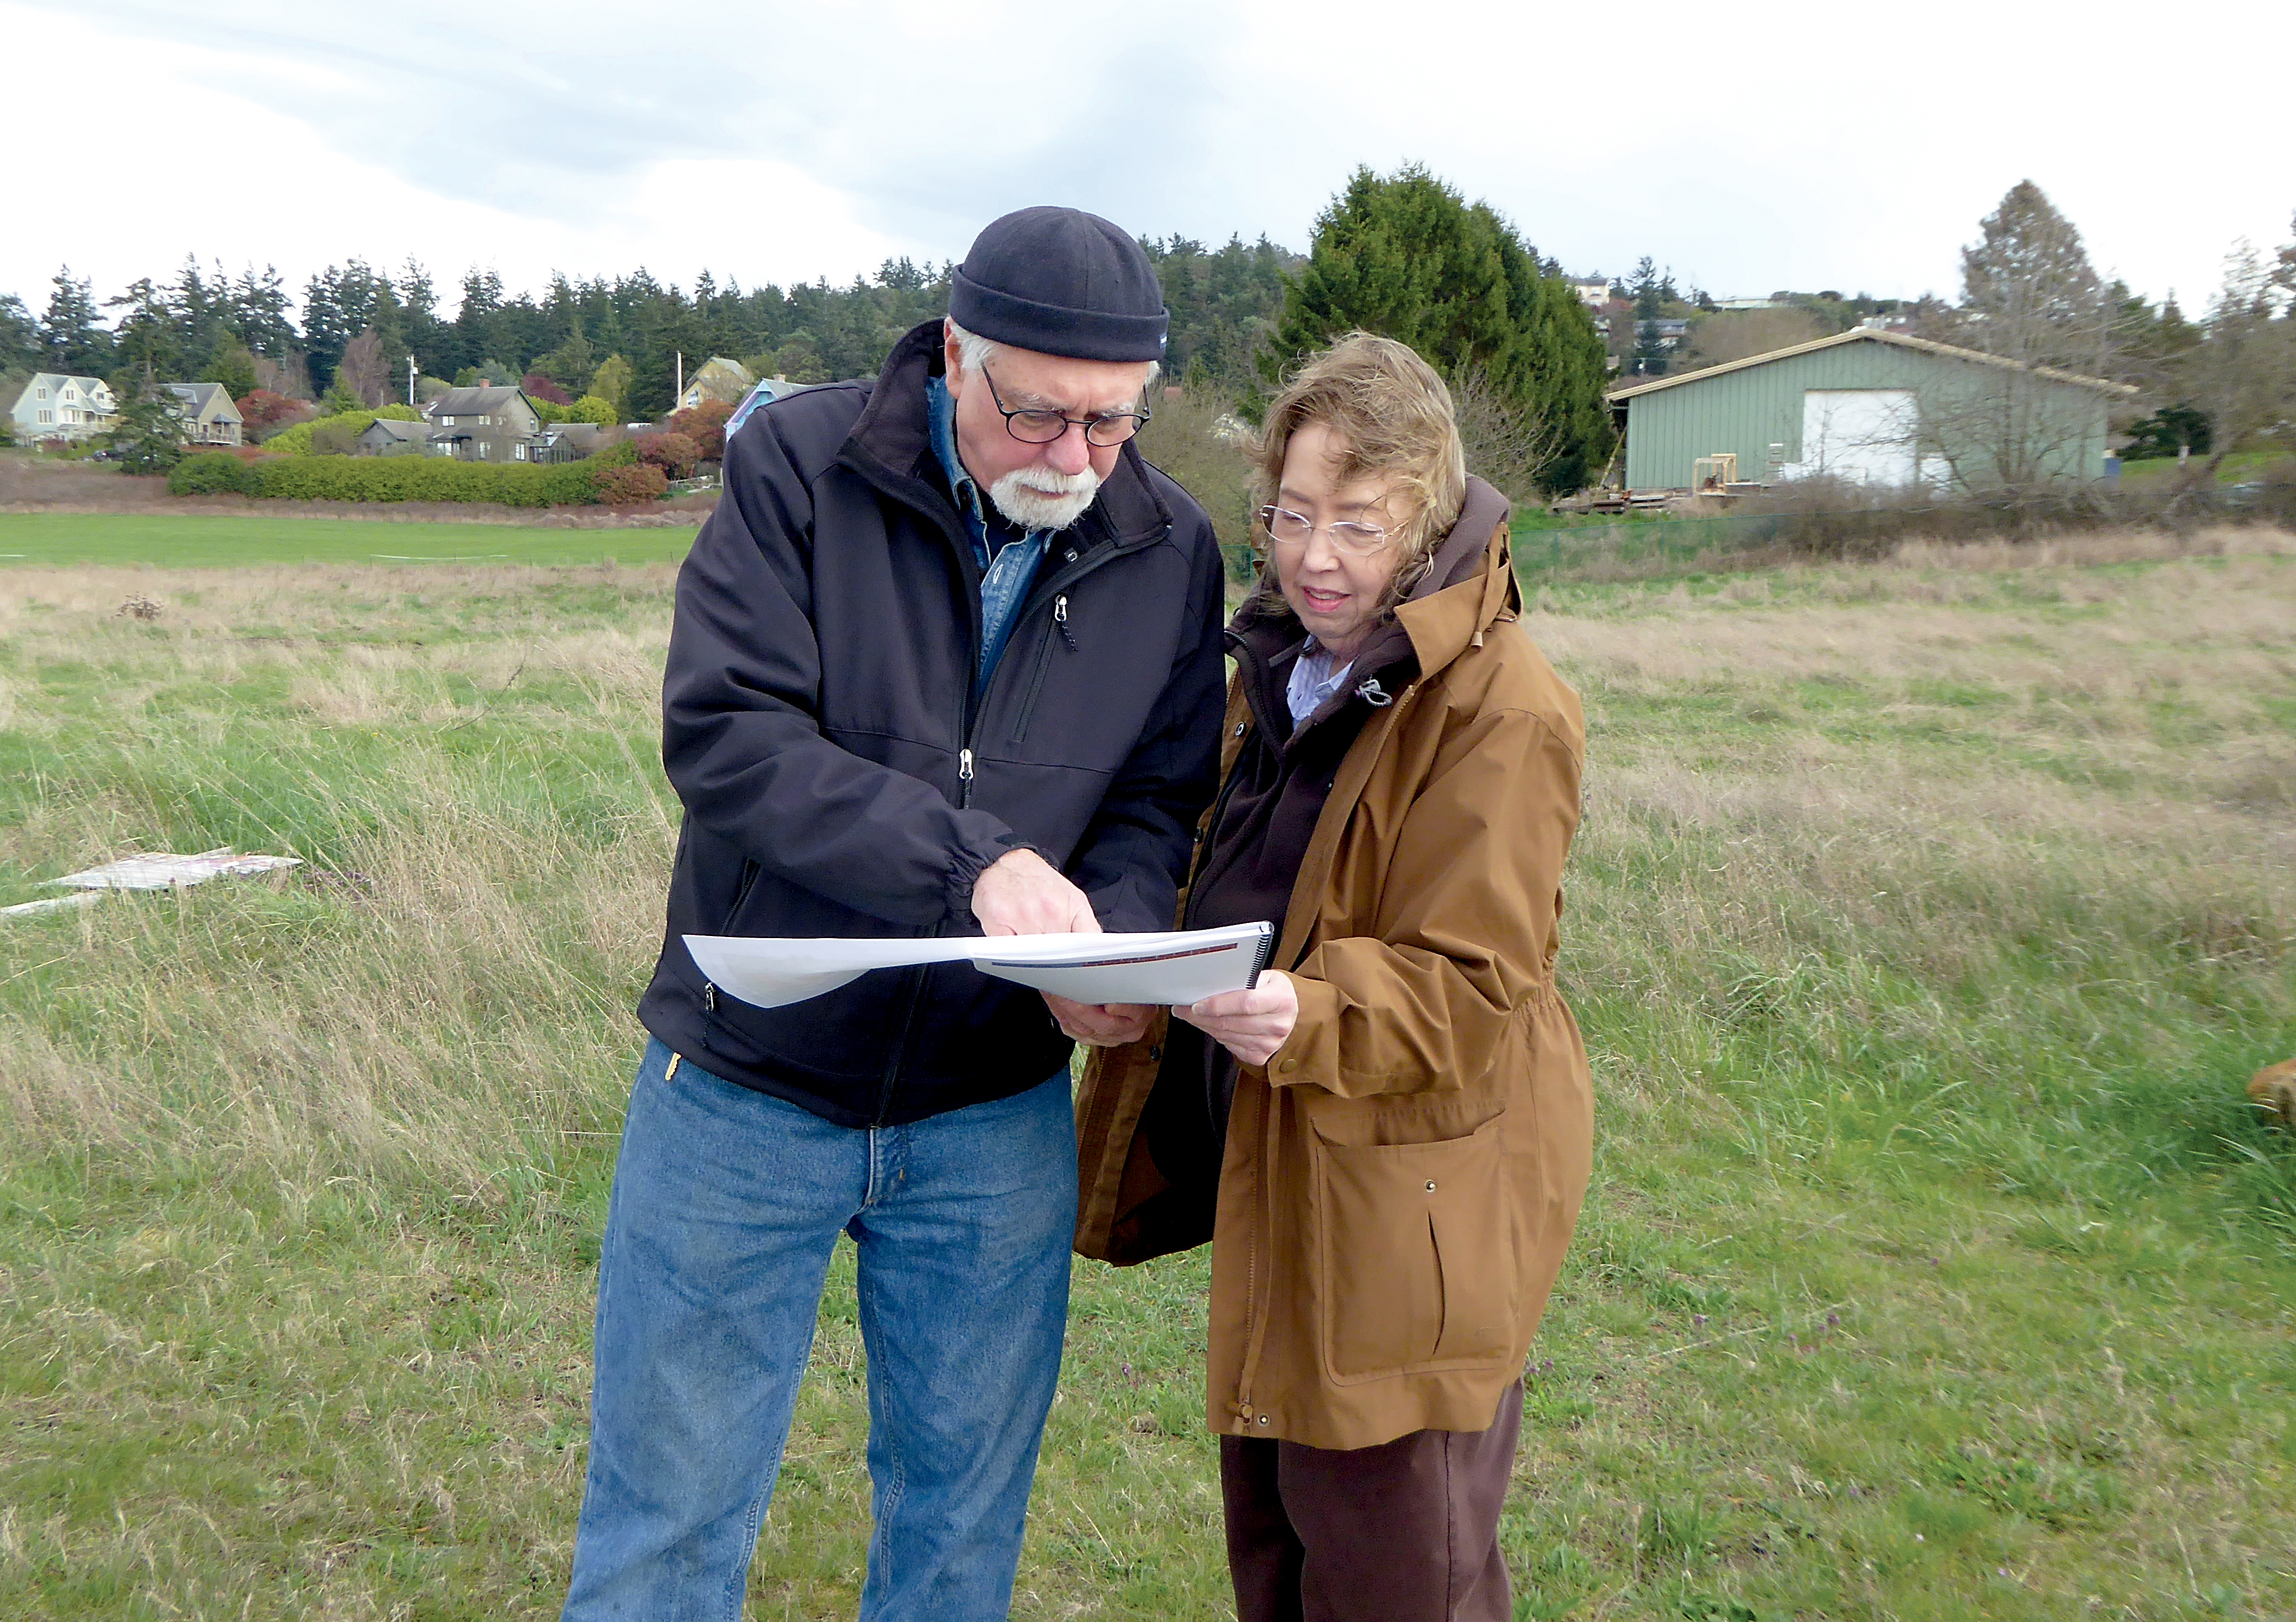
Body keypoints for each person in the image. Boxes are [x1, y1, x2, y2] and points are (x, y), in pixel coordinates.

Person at [562, 207, 1229, 1620]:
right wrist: (969, 865)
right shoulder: (796, 466)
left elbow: (1151, 803)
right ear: (949, 359)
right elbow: (728, 734)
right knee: (666, 1526)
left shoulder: (1170, 548)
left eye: (1109, 423)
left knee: (957, 1534)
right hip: (742, 1084)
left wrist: (1100, 948)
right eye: (1036, 414)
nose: (1072, 458)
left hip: (989, 1112)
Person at [1074, 334, 1594, 1622]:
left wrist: (1313, 1007)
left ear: (1423, 523)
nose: (1314, 556)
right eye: (1291, 516)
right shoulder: (1283, 667)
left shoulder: (1501, 705)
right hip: (1284, 1164)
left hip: (1406, 1200)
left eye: (1356, 525)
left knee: (1399, 1569)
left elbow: (1477, 983)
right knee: (1282, 1546)